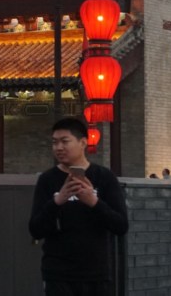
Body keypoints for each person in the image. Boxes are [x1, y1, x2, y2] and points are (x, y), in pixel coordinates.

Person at [28, 116, 128, 296]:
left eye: (65, 141)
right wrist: (58, 201)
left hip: (96, 274)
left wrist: (94, 202)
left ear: (83, 142)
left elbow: (121, 226)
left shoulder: (104, 177)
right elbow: (35, 229)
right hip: (58, 274)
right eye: (54, 142)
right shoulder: (47, 180)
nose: (58, 147)